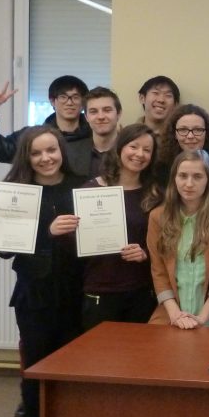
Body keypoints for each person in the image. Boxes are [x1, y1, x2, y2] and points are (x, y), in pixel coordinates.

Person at [0, 126, 84, 417]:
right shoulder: (15, 193)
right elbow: (4, 251)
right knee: (37, 365)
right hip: (34, 296)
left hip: (78, 293)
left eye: (51, 150)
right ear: (27, 157)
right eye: (36, 153)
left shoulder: (82, 187)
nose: (45, 158)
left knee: (74, 368)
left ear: (62, 150)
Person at [75, 123, 160, 330]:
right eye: (134, 146)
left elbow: (167, 243)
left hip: (141, 290)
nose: (139, 154)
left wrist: (145, 253)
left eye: (147, 150)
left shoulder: (156, 194)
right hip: (100, 289)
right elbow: (77, 243)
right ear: (120, 148)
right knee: (100, 350)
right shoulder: (92, 190)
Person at [147, 149, 209, 328]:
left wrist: (202, 319)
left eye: (197, 177)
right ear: (174, 178)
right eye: (183, 176)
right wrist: (176, 315)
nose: (189, 184)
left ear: (208, 180)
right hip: (172, 312)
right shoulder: (157, 216)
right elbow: (158, 271)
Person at [0, 75, 94, 176]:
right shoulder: (32, 138)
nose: (69, 103)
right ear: (52, 101)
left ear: (83, 102)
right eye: (63, 97)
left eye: (76, 97)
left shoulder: (97, 135)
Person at [156, 103, 209, 185]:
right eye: (183, 130)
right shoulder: (161, 170)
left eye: (197, 130)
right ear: (174, 134)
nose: (190, 136)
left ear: (207, 134)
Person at [82, 86, 123, 178]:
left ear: (118, 113)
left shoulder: (130, 151)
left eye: (107, 110)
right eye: (93, 112)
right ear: (86, 117)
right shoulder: (73, 153)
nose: (100, 117)